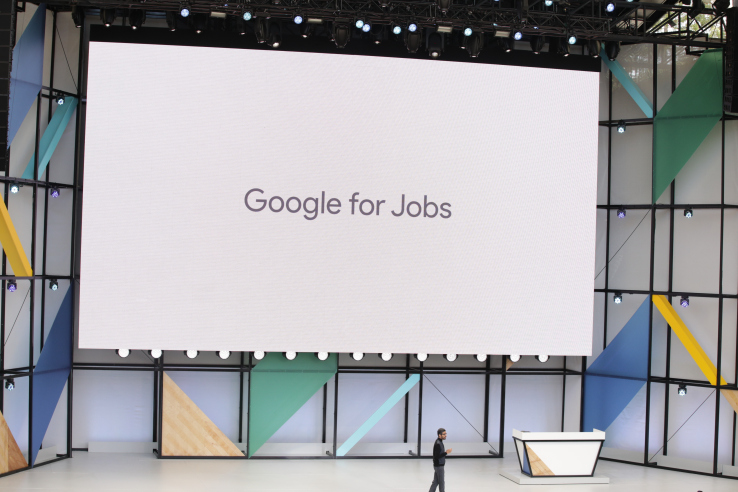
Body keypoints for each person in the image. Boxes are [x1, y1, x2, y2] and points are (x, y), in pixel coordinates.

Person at [429, 428, 452, 492]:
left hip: (438, 465)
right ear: (439, 435)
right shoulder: (438, 444)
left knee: (435, 482)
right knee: (441, 482)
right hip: (439, 466)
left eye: (446, 434)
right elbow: (437, 456)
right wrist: (446, 452)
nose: (445, 435)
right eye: (444, 434)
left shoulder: (439, 442)